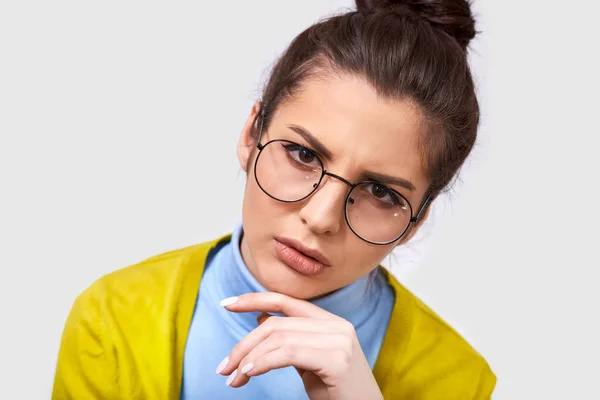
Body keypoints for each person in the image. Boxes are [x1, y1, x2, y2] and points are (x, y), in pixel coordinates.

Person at [52, 0, 496, 398]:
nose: (321, 217)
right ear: (251, 134)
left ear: (416, 222)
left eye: (380, 192)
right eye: (303, 154)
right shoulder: (111, 321)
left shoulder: (459, 382)